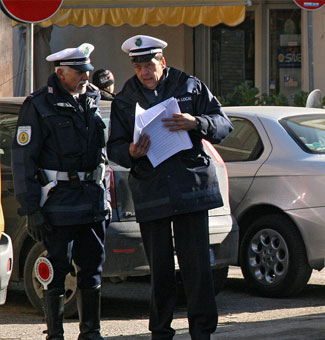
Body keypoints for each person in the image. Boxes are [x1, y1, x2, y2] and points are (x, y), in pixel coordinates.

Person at [107, 35, 233, 340]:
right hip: (152, 190)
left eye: (149, 65)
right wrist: (131, 152)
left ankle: (202, 331)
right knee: (160, 269)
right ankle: (161, 331)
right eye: (138, 67)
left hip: (190, 187)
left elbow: (224, 124)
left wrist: (196, 122)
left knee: (197, 267)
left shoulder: (190, 86)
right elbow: (115, 148)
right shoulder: (125, 98)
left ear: (162, 62)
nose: (144, 72)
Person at [11, 43, 108, 340]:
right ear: (60, 73)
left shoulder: (92, 99)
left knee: (92, 269)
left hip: (91, 200)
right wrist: (32, 210)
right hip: (58, 203)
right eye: (78, 72)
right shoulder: (39, 105)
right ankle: (55, 335)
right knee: (55, 270)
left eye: (86, 72)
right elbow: (23, 161)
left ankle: (91, 333)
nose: (84, 77)